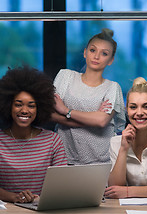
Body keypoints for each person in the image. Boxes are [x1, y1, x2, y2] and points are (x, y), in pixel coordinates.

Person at [0, 66, 69, 214]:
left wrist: (39, 199)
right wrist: (16, 197)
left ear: (39, 108)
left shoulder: (53, 140)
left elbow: (61, 185)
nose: (24, 110)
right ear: (8, 106)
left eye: (31, 105)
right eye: (18, 104)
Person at [52, 28, 126, 165]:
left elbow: (101, 121)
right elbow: (49, 114)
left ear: (111, 60)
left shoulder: (113, 87)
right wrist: (91, 119)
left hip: (101, 161)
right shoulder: (65, 76)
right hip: (65, 157)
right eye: (93, 50)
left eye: (104, 53)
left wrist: (66, 111)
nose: (96, 56)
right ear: (85, 52)